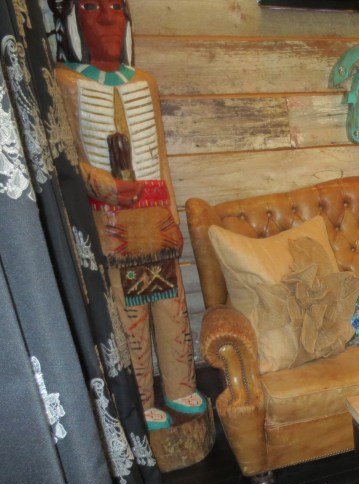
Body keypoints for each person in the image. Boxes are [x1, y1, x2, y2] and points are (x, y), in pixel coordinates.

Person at [51, 0, 205, 430]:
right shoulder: (66, 81)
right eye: (91, 6)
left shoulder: (144, 82)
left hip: (154, 213)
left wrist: (170, 212)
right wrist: (104, 185)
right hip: (112, 221)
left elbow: (160, 157)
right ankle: (141, 399)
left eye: (116, 7)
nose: (106, 17)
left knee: (171, 308)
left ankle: (180, 387)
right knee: (129, 314)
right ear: (73, 20)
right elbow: (66, 157)